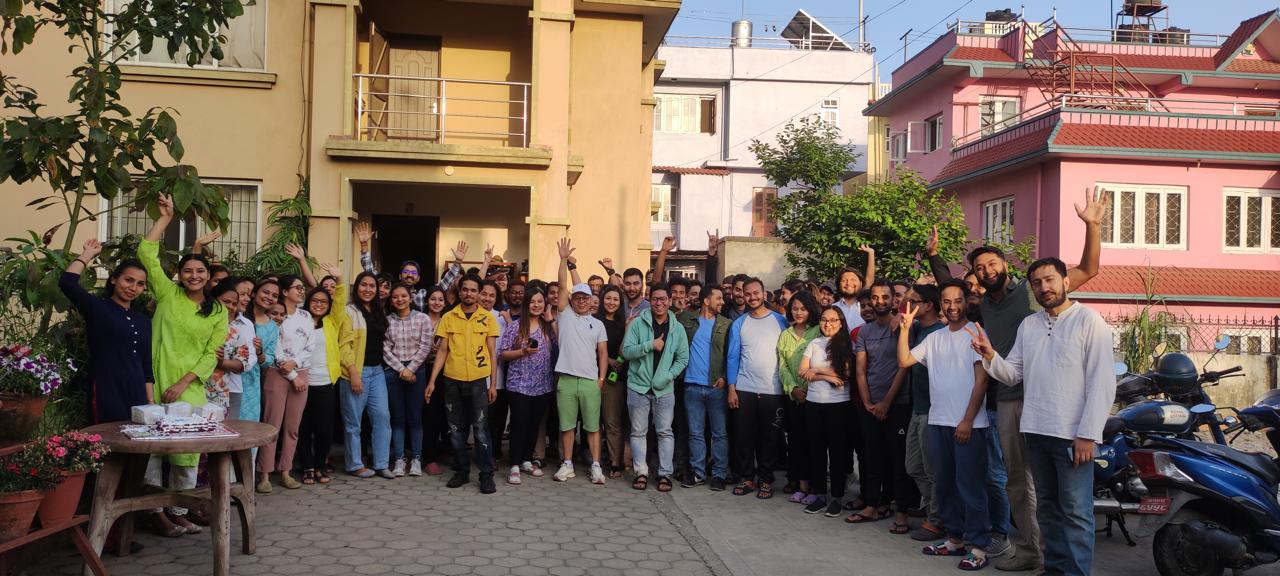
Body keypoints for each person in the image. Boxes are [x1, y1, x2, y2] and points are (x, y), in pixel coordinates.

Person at [932, 188, 1104, 572]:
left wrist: (1092, 226)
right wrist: (934, 256)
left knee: (1059, 497)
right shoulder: (984, 307)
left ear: (1005, 265)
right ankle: (1030, 551)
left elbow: (1089, 268)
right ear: (975, 276)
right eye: (980, 268)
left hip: (1054, 406)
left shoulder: (1034, 291)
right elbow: (950, 295)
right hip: (1009, 399)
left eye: (992, 263)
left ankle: (1055, 558)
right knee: (1018, 483)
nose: (987, 270)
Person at [970, 258, 1115, 576]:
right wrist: (990, 355)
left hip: (1073, 437)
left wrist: (1088, 434)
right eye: (1037, 283)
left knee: (1076, 513)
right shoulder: (1030, 325)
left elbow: (1103, 382)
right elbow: (1013, 375)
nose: (1044, 287)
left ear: (1065, 281)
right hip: (1035, 431)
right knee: (1048, 509)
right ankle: (1055, 568)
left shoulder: (1089, 322)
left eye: (1050, 280)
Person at [139, 195, 228, 536]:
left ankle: (178, 508)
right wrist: (165, 218)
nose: (193, 275)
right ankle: (155, 511)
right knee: (155, 450)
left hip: (189, 386)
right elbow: (146, 254)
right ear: (179, 274)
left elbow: (211, 354)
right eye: (188, 270)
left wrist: (185, 381)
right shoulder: (167, 293)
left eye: (200, 271)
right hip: (154, 377)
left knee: (186, 451)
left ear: (208, 278)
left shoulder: (217, 312)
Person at [898, 280, 992, 570]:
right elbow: (904, 360)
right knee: (946, 486)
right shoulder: (936, 338)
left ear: (966, 302)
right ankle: (954, 539)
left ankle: (979, 547)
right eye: (947, 301)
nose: (952, 307)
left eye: (957, 301)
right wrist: (904, 328)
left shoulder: (975, 333)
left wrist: (966, 420)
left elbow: (982, 380)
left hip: (969, 425)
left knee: (971, 488)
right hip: (938, 422)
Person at [59, 239, 153, 424]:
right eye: (128, 280)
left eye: (140, 284)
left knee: (138, 448)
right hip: (106, 389)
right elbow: (67, 283)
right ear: (114, 279)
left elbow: (146, 364)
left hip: (138, 393)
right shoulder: (98, 309)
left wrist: (150, 402)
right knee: (110, 444)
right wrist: (88, 254)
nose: (133, 288)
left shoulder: (143, 320)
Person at [851, 280, 916, 532]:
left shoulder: (902, 326)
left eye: (885, 297)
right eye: (875, 297)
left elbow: (904, 366)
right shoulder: (864, 332)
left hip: (898, 404)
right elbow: (860, 370)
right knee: (871, 457)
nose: (879, 302)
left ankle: (901, 512)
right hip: (871, 406)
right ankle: (871, 504)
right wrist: (868, 402)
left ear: (893, 300)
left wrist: (887, 402)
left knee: (899, 460)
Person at [426, 273, 500, 494]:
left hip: (478, 381)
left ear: (479, 293)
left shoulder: (488, 319)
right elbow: (442, 350)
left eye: (473, 290)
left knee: (480, 430)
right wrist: (431, 381)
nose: (469, 293)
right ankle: (461, 471)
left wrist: (493, 384)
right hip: (452, 380)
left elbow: (492, 353)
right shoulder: (449, 317)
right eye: (465, 289)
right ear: (460, 292)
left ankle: (486, 475)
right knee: (456, 430)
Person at [550, 239, 609, 484]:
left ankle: (596, 466)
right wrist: (563, 259)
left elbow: (603, 353)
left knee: (593, 427)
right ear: (572, 299)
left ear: (591, 300)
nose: (582, 300)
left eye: (586, 297)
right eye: (578, 297)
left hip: (589, 382)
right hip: (565, 379)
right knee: (566, 426)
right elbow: (564, 285)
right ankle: (567, 464)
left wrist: (601, 379)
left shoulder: (598, 324)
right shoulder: (565, 316)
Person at [621, 283, 689, 492]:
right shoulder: (638, 324)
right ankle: (641, 472)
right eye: (655, 299)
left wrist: (668, 377)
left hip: (664, 390)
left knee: (665, 432)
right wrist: (650, 345)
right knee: (638, 432)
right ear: (649, 300)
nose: (659, 303)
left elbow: (683, 359)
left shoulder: (677, 328)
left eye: (663, 299)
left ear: (670, 301)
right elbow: (626, 352)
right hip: (638, 387)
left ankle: (664, 474)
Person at [725, 277, 788, 499]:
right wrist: (732, 389)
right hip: (745, 388)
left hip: (773, 390)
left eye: (756, 293)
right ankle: (747, 478)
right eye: (747, 293)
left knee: (770, 438)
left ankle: (766, 479)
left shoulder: (781, 321)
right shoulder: (739, 323)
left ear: (764, 294)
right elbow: (732, 358)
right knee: (744, 437)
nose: (752, 297)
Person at [258, 273, 315, 491]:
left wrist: (297, 366)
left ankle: (286, 471)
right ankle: (264, 474)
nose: (301, 291)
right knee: (272, 425)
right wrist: (291, 374)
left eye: (302, 288)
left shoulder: (306, 316)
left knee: (293, 427)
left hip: (302, 372)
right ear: (284, 292)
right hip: (277, 373)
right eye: (297, 287)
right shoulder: (275, 314)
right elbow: (273, 346)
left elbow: (310, 346)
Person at [798, 305, 855, 518]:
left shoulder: (846, 344)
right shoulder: (814, 343)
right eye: (824, 319)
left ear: (841, 323)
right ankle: (820, 494)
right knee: (817, 451)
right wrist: (829, 376)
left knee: (838, 452)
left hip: (839, 405)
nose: (827, 324)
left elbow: (847, 370)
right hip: (814, 403)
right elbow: (802, 371)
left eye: (832, 320)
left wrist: (818, 370)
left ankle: (837, 497)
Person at [901, 284, 948, 543]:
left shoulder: (938, 332)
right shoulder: (919, 328)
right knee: (914, 466)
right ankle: (933, 509)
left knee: (932, 470)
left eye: (915, 301)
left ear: (928, 305)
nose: (909, 304)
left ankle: (936, 520)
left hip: (933, 411)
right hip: (918, 408)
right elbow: (900, 316)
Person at [356, 221, 484, 310]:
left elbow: (444, 285)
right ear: (400, 276)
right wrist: (364, 246)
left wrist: (457, 262)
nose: (410, 276)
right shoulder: (390, 291)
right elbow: (371, 274)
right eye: (407, 272)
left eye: (414, 273)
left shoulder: (422, 295)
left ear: (418, 278)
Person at [498, 287, 555, 484]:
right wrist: (522, 351)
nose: (536, 305)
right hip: (519, 384)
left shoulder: (547, 326)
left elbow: (560, 344)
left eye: (540, 301)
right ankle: (514, 464)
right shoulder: (515, 326)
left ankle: (526, 460)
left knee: (534, 423)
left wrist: (550, 320)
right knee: (519, 423)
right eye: (533, 302)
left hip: (543, 385)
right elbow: (503, 353)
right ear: (526, 304)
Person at [339, 271, 393, 479]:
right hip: (355, 371)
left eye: (372, 286)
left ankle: (381, 463)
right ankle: (354, 465)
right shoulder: (349, 311)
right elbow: (344, 345)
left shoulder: (379, 311)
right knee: (353, 422)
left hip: (377, 371)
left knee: (382, 417)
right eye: (364, 285)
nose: (368, 289)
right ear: (356, 287)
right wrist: (353, 373)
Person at [676, 285, 730, 490]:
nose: (722, 302)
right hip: (691, 386)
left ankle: (719, 475)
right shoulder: (686, 320)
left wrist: (725, 377)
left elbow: (731, 354)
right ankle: (698, 473)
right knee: (695, 433)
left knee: (719, 434)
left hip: (716, 386)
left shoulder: (726, 324)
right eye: (718, 298)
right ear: (706, 301)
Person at [384, 284, 434, 477]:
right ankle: (398, 459)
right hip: (394, 371)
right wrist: (401, 369)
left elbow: (426, 346)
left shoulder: (423, 318)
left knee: (415, 418)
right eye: (395, 297)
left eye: (403, 296)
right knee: (397, 418)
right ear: (391, 300)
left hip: (417, 371)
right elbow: (385, 348)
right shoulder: (387, 321)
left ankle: (416, 459)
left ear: (410, 298)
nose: (399, 300)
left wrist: (411, 368)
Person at [778, 291, 821, 504]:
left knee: (815, 442)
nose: (798, 312)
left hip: (815, 397)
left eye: (803, 308)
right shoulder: (785, 334)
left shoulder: (818, 332)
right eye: (795, 308)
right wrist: (793, 388)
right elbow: (783, 366)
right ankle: (802, 485)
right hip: (794, 397)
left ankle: (816, 486)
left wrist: (807, 389)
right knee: (796, 442)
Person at [296, 286, 338, 485]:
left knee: (324, 429)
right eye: (315, 301)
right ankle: (307, 467)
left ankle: (321, 464)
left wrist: (338, 280)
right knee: (303, 427)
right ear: (307, 302)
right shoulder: (300, 321)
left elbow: (340, 299)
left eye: (324, 302)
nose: (319, 304)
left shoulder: (332, 322)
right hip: (302, 381)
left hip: (326, 381)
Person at [595, 284, 628, 478]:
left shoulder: (624, 323)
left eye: (616, 299)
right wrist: (607, 359)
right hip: (592, 376)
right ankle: (596, 460)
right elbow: (589, 347)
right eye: (608, 298)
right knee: (592, 423)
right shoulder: (593, 321)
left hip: (613, 380)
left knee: (612, 422)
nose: (611, 302)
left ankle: (616, 462)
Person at [420, 286, 450, 476]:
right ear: (426, 301)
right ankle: (427, 457)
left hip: (445, 371)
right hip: (422, 370)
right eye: (433, 299)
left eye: (440, 299)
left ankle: (440, 452)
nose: (436, 302)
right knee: (426, 414)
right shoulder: (419, 319)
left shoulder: (448, 320)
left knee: (441, 414)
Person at [832, 245, 877, 333]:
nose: (849, 283)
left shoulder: (866, 305)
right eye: (844, 280)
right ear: (838, 284)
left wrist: (871, 253)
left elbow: (869, 281)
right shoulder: (833, 308)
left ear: (861, 283)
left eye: (853, 280)